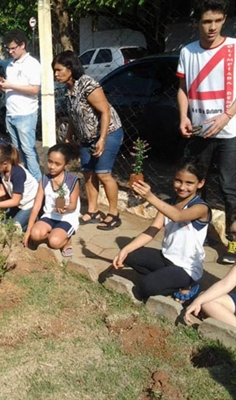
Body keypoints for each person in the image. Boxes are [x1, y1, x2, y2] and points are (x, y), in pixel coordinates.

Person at [177, 0, 236, 264]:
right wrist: (183, 116)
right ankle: (192, 237)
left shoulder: (234, 48)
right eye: (206, 21)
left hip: (230, 133)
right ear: (197, 23)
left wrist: (226, 116)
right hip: (199, 133)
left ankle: (233, 245)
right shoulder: (187, 52)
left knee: (229, 188)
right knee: (195, 187)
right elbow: (182, 88)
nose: (212, 27)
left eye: (217, 20)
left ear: (224, 20)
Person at [112, 158, 211, 301]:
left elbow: (177, 216)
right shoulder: (168, 203)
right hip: (167, 257)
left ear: (200, 184)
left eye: (189, 183)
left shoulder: (201, 208)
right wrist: (125, 249)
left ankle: (188, 285)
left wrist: (150, 196)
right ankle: (165, 278)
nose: (182, 187)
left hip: (186, 268)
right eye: (178, 181)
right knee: (129, 255)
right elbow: (152, 230)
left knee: (146, 287)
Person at [53, 50, 124, 230]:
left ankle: (114, 214)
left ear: (70, 69)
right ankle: (92, 211)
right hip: (86, 138)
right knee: (88, 173)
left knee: (103, 173)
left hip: (109, 133)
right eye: (55, 70)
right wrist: (69, 136)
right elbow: (73, 117)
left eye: (59, 70)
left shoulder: (88, 85)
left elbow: (105, 111)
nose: (56, 74)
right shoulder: (68, 90)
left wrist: (102, 139)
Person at [0, 29, 42, 181]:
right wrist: (2, 85)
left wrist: (11, 85)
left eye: (13, 48)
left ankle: (37, 183)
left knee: (28, 150)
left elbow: (35, 89)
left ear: (22, 45)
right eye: (8, 48)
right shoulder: (10, 65)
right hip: (11, 113)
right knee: (17, 151)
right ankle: (24, 181)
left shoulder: (32, 64)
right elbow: (9, 88)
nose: (10, 51)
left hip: (26, 113)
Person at [23, 144, 81, 256]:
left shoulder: (72, 181)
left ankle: (66, 241)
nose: (52, 167)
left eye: (57, 164)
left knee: (54, 242)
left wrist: (65, 206)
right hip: (50, 216)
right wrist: (28, 231)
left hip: (67, 218)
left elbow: (73, 206)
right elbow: (36, 206)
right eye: (50, 162)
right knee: (35, 234)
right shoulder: (45, 179)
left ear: (66, 164)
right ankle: (54, 234)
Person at [0, 143, 38, 231]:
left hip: (30, 204)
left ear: (4, 163)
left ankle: (33, 222)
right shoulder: (2, 171)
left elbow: (15, 201)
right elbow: (2, 191)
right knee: (1, 223)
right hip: (19, 204)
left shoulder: (17, 174)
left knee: (10, 229)